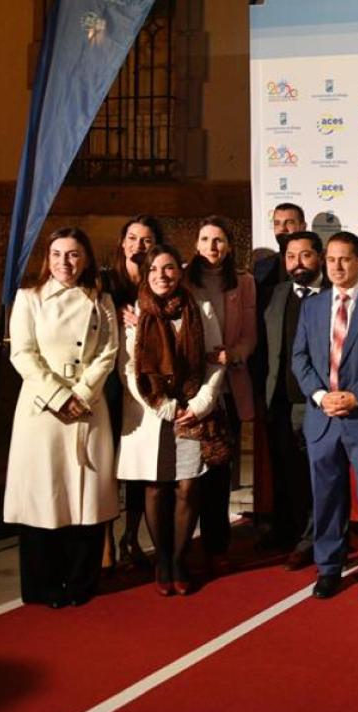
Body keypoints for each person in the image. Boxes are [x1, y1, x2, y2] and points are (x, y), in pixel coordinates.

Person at [5, 228, 120, 607]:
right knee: (45, 495)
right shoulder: (29, 298)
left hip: (88, 407)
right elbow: (22, 353)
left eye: (72, 254)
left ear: (85, 257)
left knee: (85, 495)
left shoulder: (101, 299)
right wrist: (57, 396)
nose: (64, 263)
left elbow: (109, 351)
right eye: (57, 254)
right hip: (43, 412)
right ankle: (43, 585)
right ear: (47, 258)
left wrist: (83, 393)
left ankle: (81, 581)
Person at [291, 231, 358, 601]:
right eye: (331, 260)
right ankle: (328, 568)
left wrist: (354, 396)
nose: (337, 266)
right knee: (326, 498)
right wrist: (323, 397)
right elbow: (300, 359)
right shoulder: (312, 307)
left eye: (345, 259)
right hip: (323, 420)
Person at [117, 244, 226, 595]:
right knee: (155, 486)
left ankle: (179, 558)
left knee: (188, 486)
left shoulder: (201, 309)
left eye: (168, 269)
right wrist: (162, 406)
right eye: (153, 271)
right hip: (151, 413)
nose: (161, 277)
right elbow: (130, 368)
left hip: (192, 411)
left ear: (179, 271)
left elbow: (214, 360)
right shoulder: (136, 312)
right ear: (145, 275)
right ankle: (162, 559)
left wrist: (202, 402)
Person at [187, 216, 257, 576]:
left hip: (226, 389)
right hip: (188, 391)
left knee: (217, 473)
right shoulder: (181, 277)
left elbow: (250, 334)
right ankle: (183, 545)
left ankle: (217, 546)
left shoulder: (244, 283)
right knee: (186, 477)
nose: (212, 247)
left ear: (229, 246)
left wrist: (235, 353)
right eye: (205, 239)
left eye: (219, 240)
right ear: (196, 244)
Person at [101, 214, 164, 574]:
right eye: (133, 238)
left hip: (147, 389)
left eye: (146, 239)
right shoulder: (106, 281)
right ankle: (106, 538)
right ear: (122, 242)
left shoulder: (160, 282)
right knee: (111, 466)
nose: (139, 245)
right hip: (111, 383)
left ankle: (132, 536)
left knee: (141, 468)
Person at [260, 230, 325, 568]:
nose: (297, 263)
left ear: (320, 257)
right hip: (279, 402)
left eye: (305, 256)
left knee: (316, 476)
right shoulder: (274, 295)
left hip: (317, 405)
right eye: (290, 257)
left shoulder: (334, 295)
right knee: (287, 474)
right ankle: (288, 530)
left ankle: (313, 539)